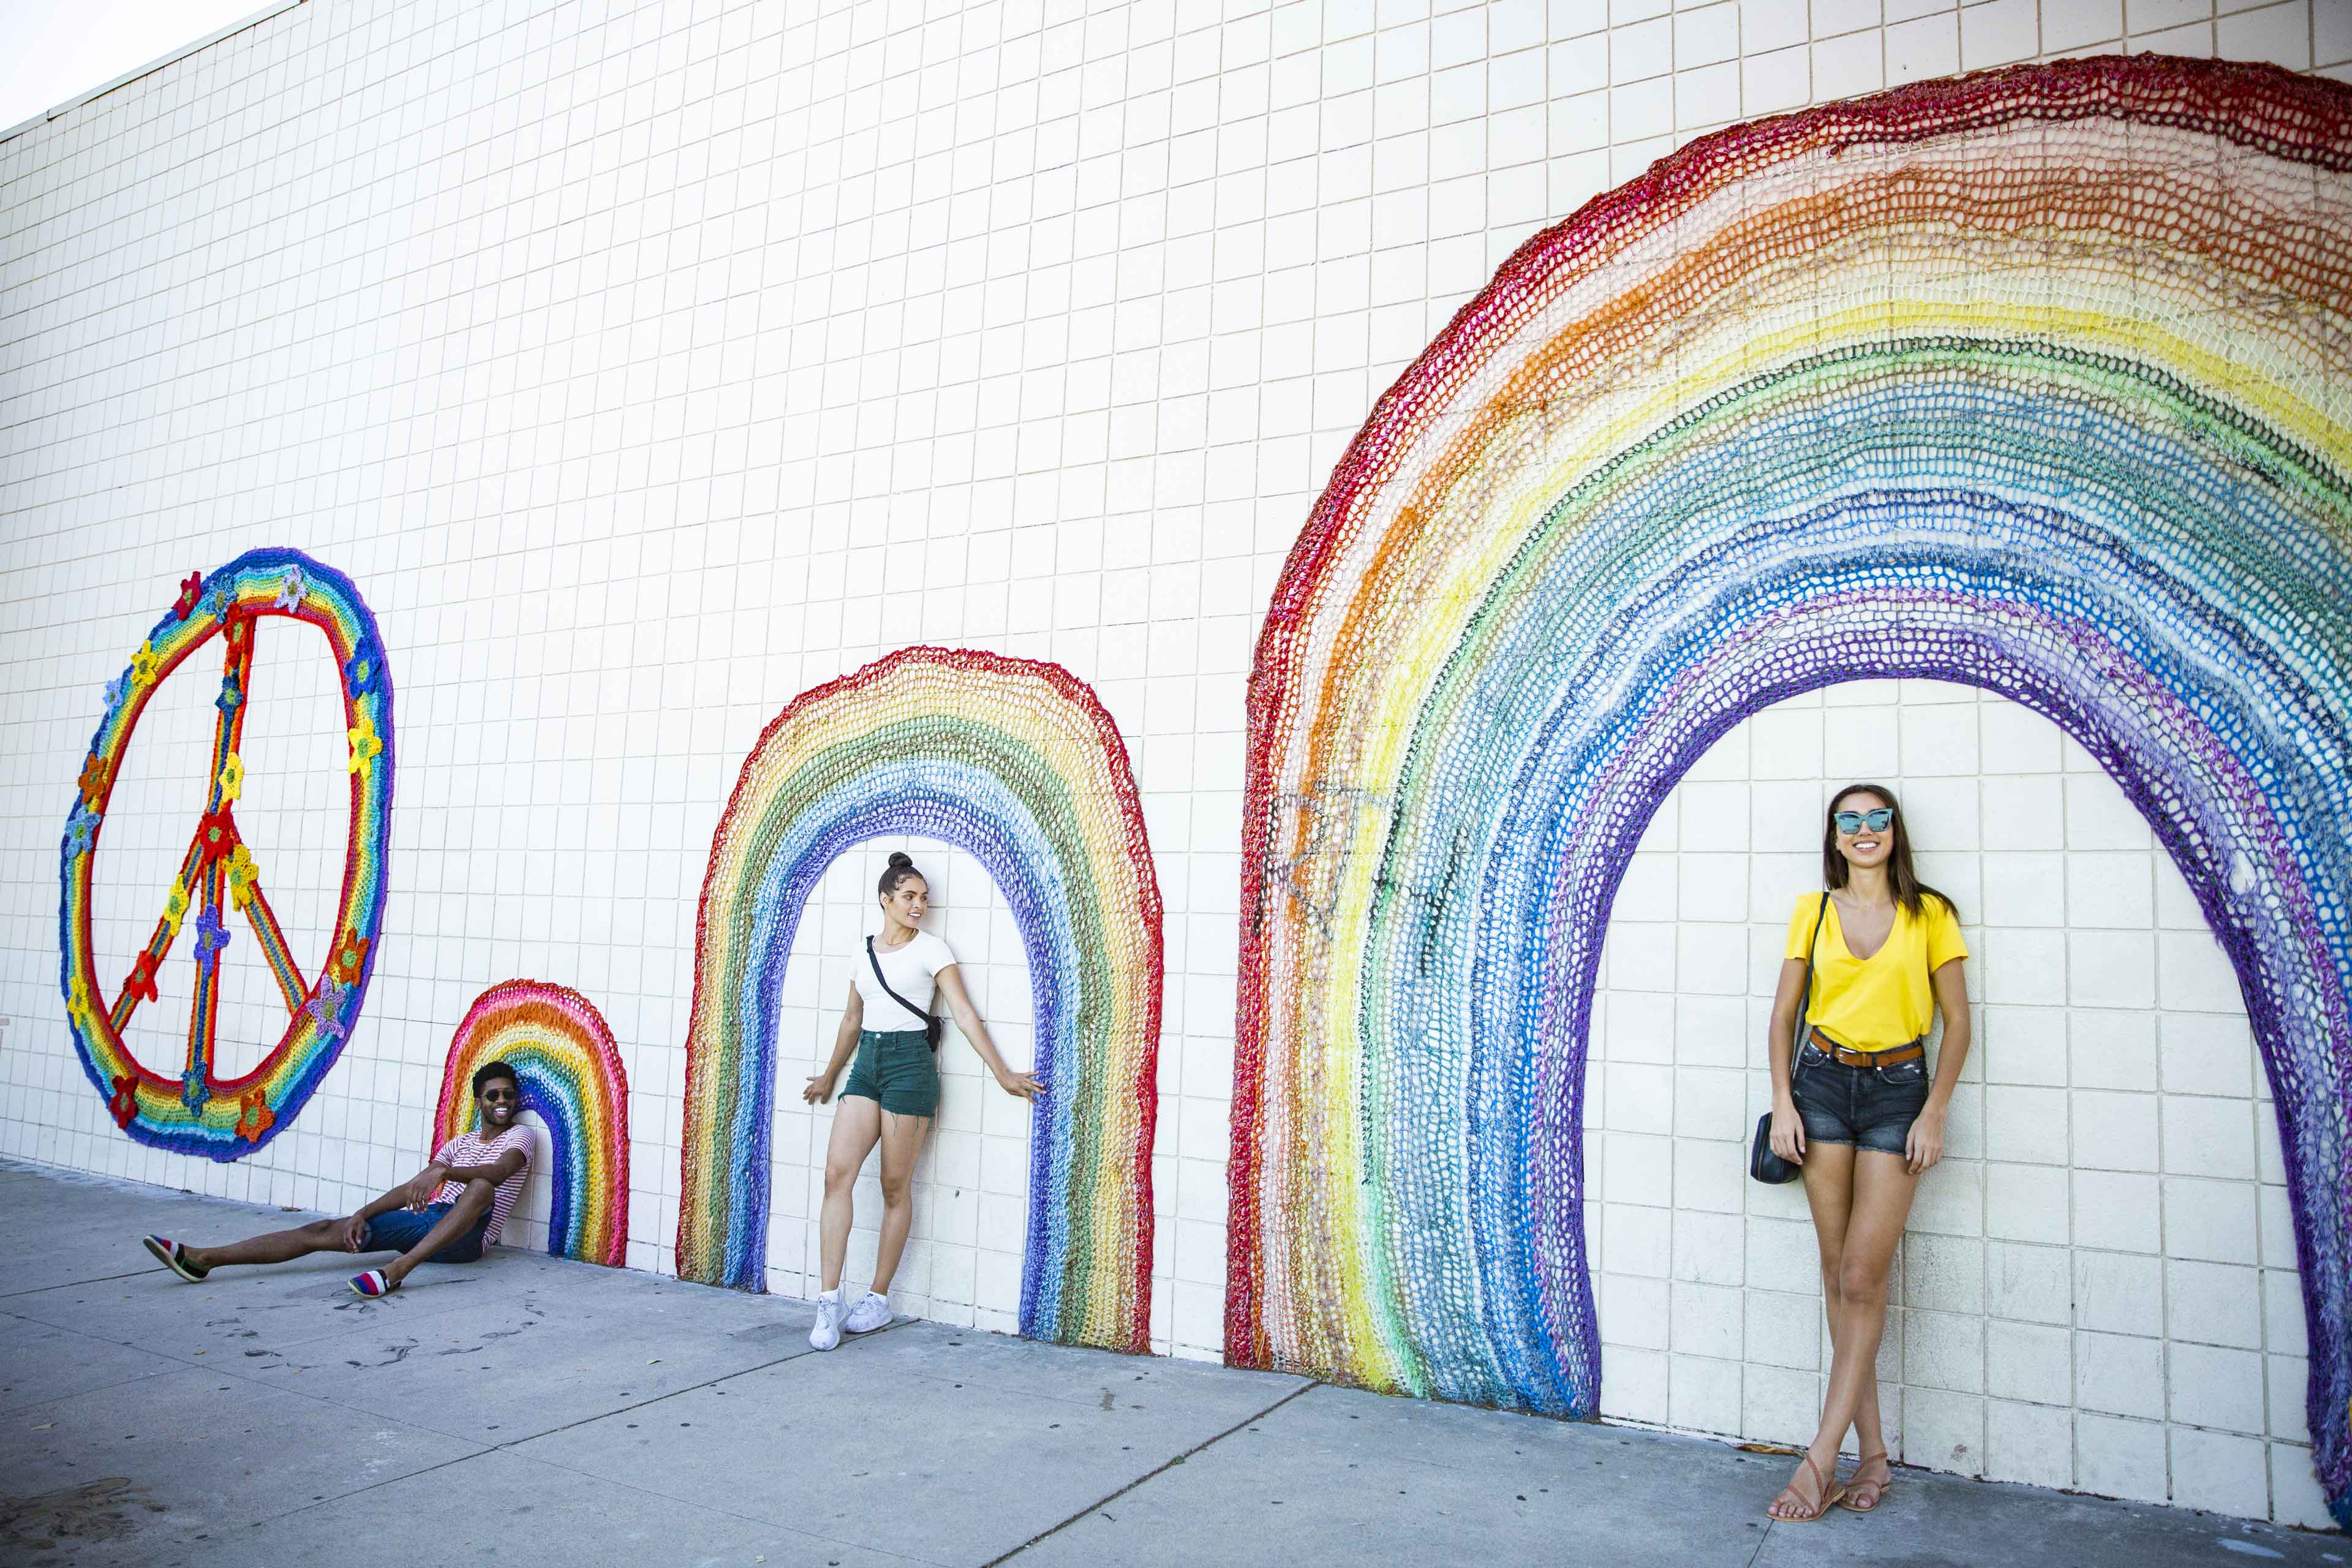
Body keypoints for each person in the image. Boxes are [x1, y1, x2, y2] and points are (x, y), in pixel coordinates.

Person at [1763, 783, 1970, 1522]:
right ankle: (1873, 1457)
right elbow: (1784, 1014)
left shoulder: (1931, 913)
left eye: (1875, 817)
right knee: (1836, 1273)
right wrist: (1785, 1102)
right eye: (1847, 819)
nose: (1863, 829)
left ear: (1894, 830)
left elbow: (1958, 1022)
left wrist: (1935, 1111)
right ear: (1835, 835)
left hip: (1897, 1094)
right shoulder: (1813, 910)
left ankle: (1820, 1459)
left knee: (1862, 1273)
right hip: (1818, 1087)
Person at [801, 850, 1040, 1349]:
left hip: (911, 1065)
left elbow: (966, 1014)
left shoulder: (933, 949)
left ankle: (878, 1299)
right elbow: (851, 1018)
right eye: (909, 897)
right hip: (867, 1061)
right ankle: (828, 1302)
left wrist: (1002, 1073)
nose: (918, 905)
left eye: (924, 899)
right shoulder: (862, 951)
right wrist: (828, 1075)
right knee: (835, 1177)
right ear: (885, 899)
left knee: (894, 1186)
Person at [141, 1060, 535, 1298]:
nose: (502, 1102)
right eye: (494, 1096)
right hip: (431, 1222)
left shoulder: (522, 1136)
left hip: (467, 1237)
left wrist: (446, 1171)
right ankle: (203, 1259)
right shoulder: (457, 1144)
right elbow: (410, 1190)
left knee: (481, 1188)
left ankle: (400, 1271)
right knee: (329, 1228)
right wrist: (361, 1214)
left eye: (508, 1095)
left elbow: (498, 1174)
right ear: (479, 1101)